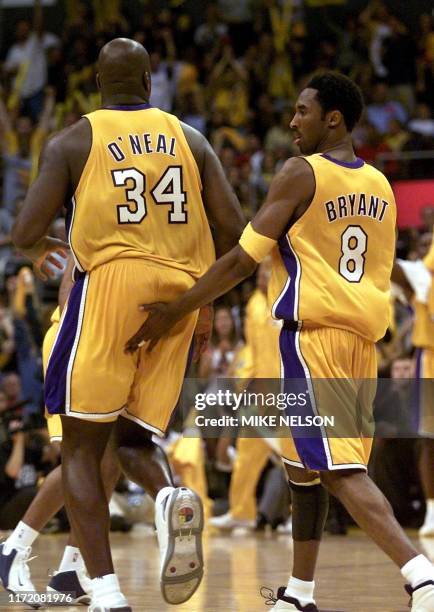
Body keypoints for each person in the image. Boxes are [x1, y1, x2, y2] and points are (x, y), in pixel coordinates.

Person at [126, 71, 434, 611]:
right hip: (361, 343)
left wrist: (180, 307)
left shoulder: (300, 172)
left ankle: (421, 577)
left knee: (338, 471)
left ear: (332, 118)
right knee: (303, 469)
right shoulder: (381, 186)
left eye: (302, 111)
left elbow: (243, 258)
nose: (292, 122)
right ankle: (299, 594)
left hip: (312, 338)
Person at [12, 38, 244, 612]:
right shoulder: (192, 139)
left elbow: (23, 231)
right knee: (135, 438)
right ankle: (167, 496)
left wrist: (50, 252)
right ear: (149, 83)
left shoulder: (73, 140)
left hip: (112, 286)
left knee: (81, 452)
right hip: (183, 295)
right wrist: (203, 301)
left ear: (96, 82)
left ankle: (107, 593)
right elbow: (237, 229)